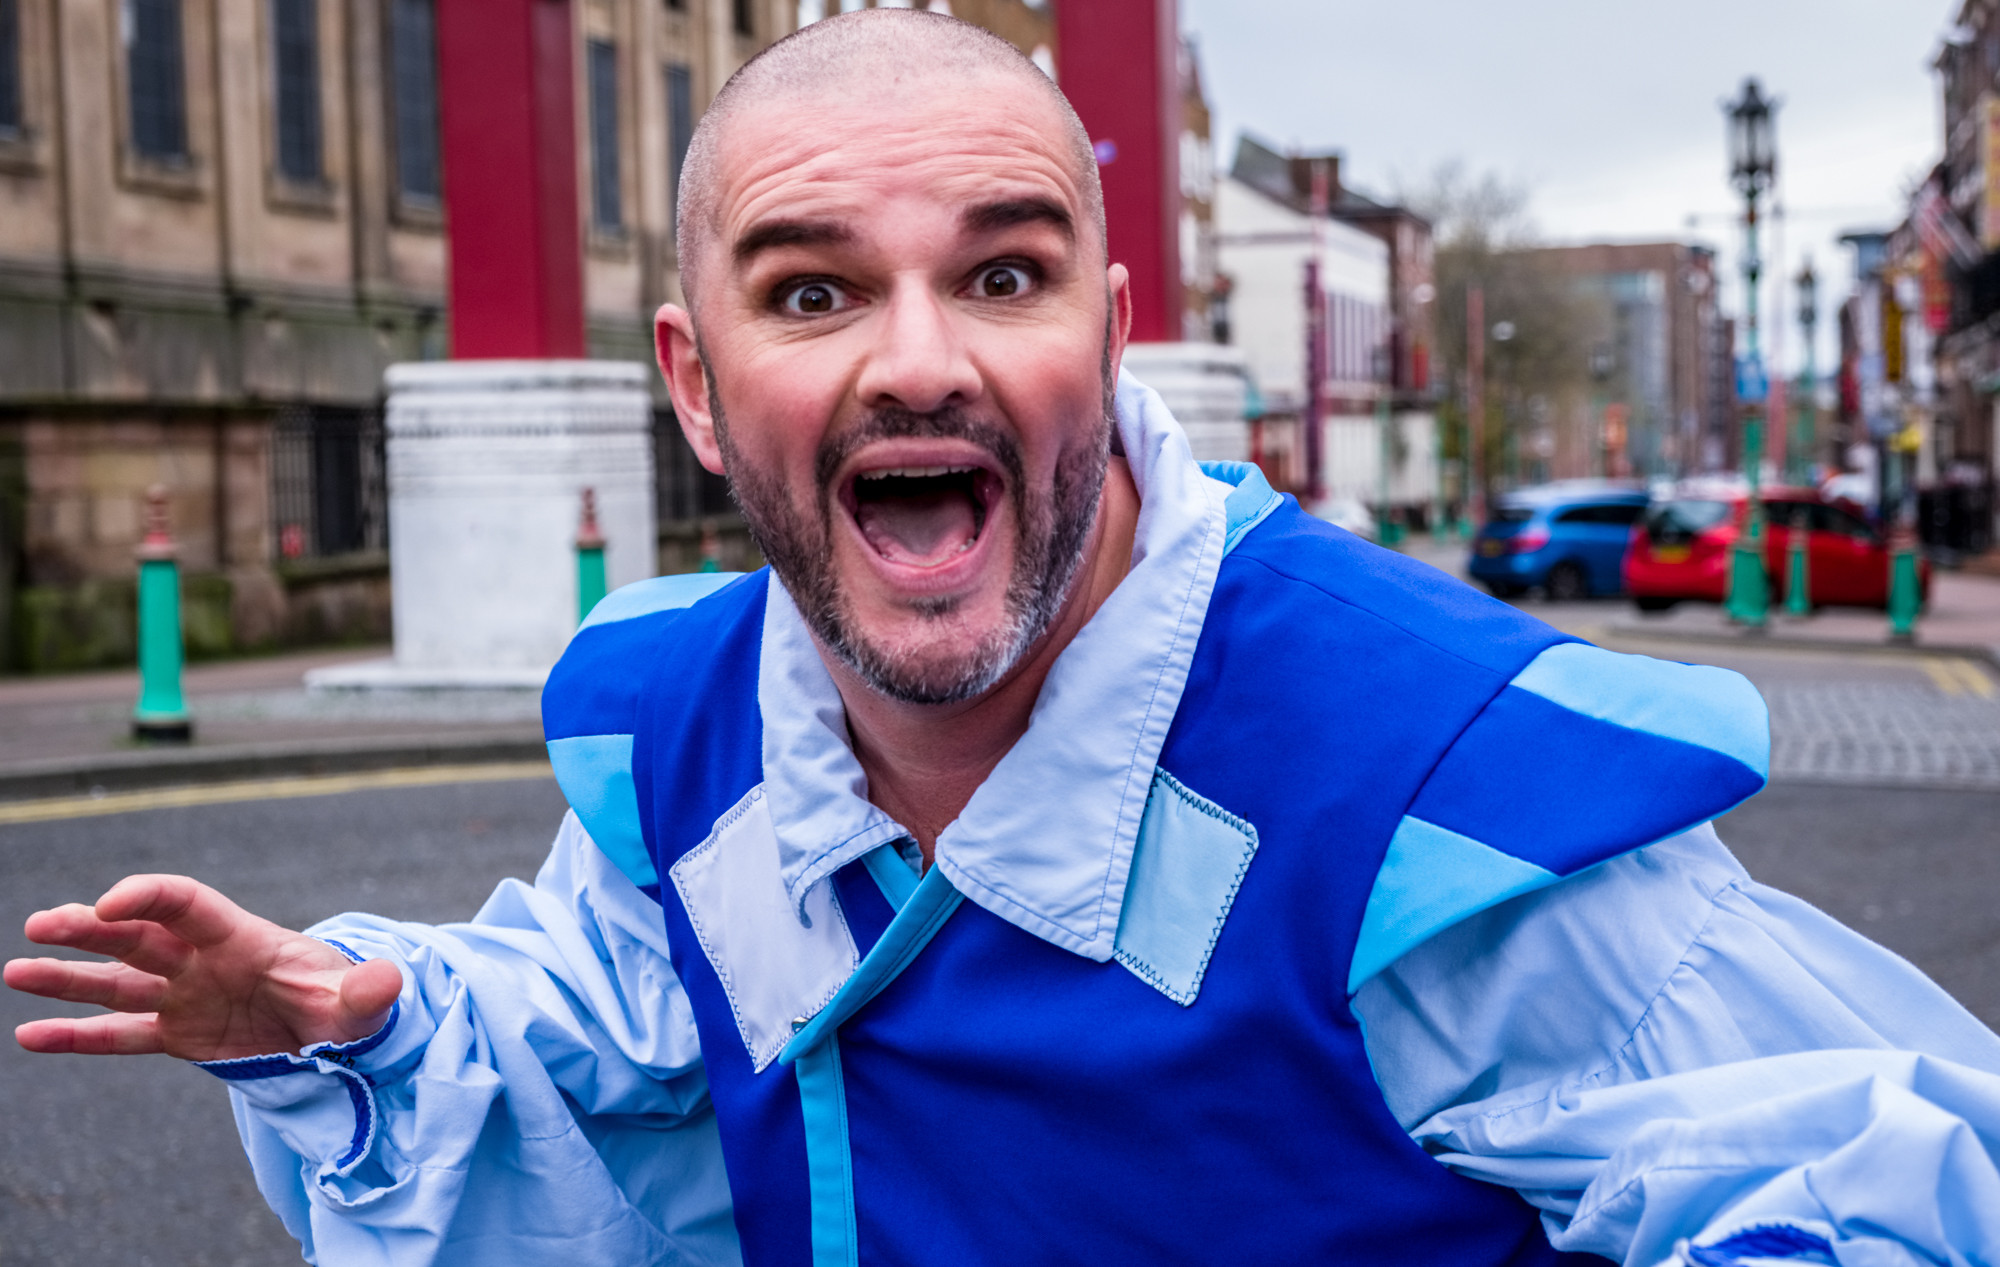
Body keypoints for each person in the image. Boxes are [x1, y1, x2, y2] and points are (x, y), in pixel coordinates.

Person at [11, 12, 2000, 1265]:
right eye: (813, 294)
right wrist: (357, 1030)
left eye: (1004, 272)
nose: (920, 358)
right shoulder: (694, 728)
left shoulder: (1427, 779)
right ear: (697, 394)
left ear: (1109, 330)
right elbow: (607, 1068)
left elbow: (1851, 1178)